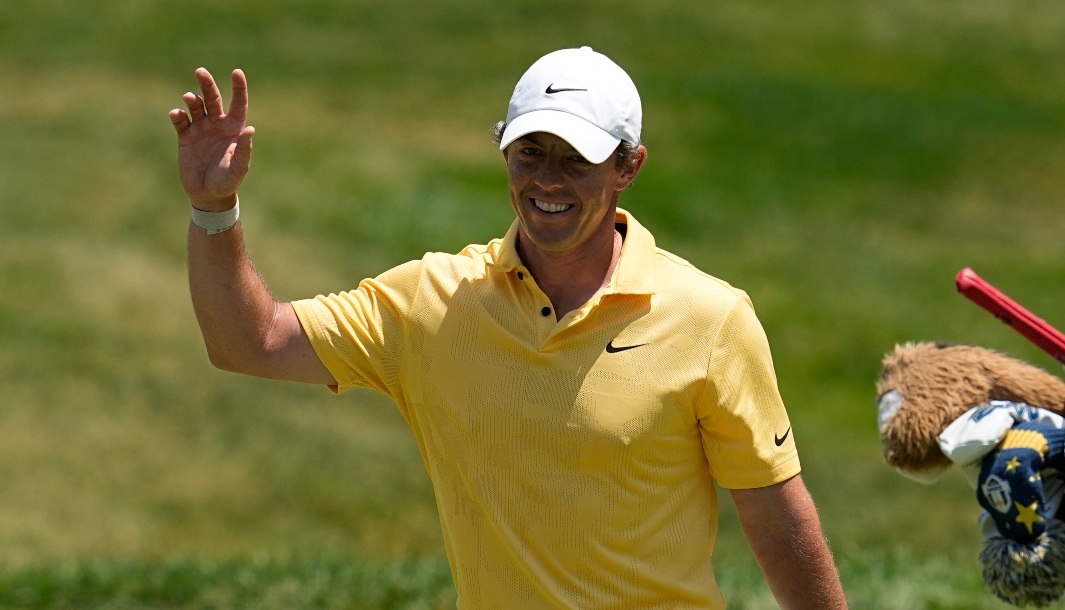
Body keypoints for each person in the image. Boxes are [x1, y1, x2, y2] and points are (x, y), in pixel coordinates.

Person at [169, 46, 847, 609]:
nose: (547, 180)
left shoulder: (711, 319)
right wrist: (214, 208)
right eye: (530, 152)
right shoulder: (433, 302)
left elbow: (776, 520)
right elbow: (248, 342)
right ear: (502, 149)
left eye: (574, 158)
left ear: (628, 167)